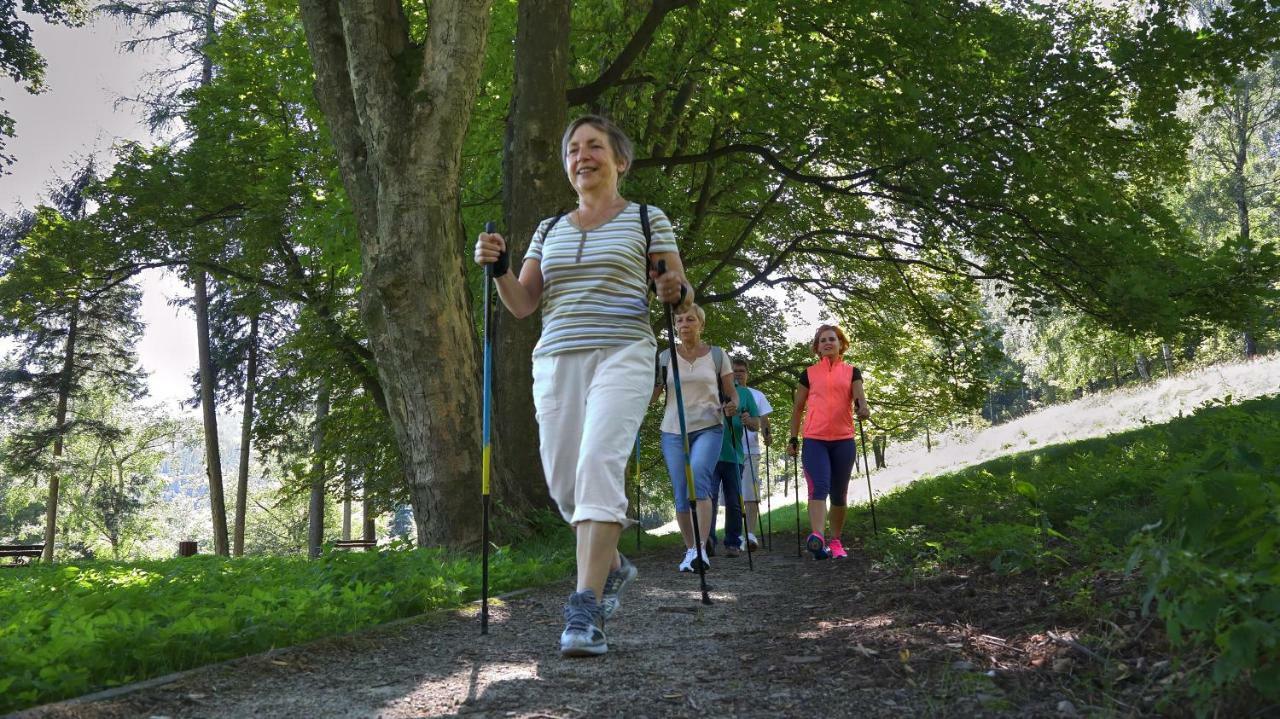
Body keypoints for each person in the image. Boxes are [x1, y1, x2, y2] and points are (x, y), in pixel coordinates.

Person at [473, 115, 693, 657]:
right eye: (573, 149)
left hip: (623, 350)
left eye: (595, 146)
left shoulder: (645, 218)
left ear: (620, 161)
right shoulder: (549, 229)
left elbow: (680, 292)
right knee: (564, 485)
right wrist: (499, 268)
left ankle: (585, 606)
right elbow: (524, 304)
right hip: (555, 358)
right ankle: (612, 565)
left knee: (599, 462)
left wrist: (673, 288)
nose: (582, 156)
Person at [652, 303, 736, 572]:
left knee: (699, 476)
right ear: (675, 326)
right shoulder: (665, 358)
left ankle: (702, 547)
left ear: (701, 324)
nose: (684, 324)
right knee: (680, 491)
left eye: (690, 319)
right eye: (679, 320)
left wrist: (732, 404)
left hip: (709, 426)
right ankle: (691, 550)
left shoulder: (717, 355)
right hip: (673, 430)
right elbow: (653, 397)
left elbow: (731, 393)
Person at [786, 325, 870, 560]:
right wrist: (793, 438)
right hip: (815, 439)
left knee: (839, 493)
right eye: (822, 340)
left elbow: (860, 399)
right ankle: (817, 538)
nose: (827, 343)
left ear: (841, 343)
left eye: (832, 339)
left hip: (844, 440)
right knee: (819, 487)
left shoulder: (852, 371)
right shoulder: (809, 374)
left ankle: (836, 542)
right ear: (817, 347)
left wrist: (863, 409)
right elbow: (798, 408)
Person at [709, 367, 760, 558]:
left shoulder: (744, 393)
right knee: (709, 499)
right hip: (710, 455)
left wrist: (749, 420)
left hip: (734, 455)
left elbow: (756, 424)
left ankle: (733, 542)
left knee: (734, 501)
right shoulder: (709, 388)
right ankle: (708, 541)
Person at [733, 357, 772, 551]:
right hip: (729, 450)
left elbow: (764, 420)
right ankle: (734, 535)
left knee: (750, 493)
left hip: (751, 450)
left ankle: (749, 534)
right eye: (735, 371)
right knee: (732, 495)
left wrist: (767, 436)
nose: (738, 374)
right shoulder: (724, 394)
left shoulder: (757, 395)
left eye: (742, 371)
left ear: (747, 374)